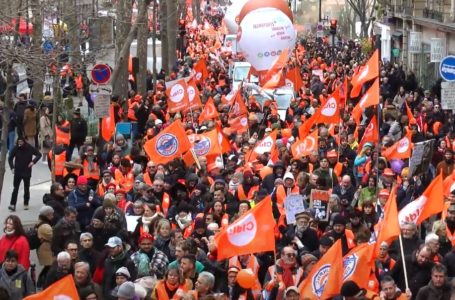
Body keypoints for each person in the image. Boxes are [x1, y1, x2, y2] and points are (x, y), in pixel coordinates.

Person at [8, 136, 42, 211]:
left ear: (24, 142)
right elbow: (10, 158)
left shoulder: (29, 148)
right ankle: (12, 204)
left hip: (26, 171)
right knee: (15, 188)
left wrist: (33, 162)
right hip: (18, 171)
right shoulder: (16, 148)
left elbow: (39, 154)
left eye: (21, 142)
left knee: (26, 188)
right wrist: (12, 168)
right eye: (18, 142)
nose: (20, 144)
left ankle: (26, 203)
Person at [36, 205, 54, 289]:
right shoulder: (45, 226)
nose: (53, 216)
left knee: (48, 267)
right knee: (49, 266)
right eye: (51, 214)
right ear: (47, 215)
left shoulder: (41, 222)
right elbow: (53, 236)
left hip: (45, 249)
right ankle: (41, 283)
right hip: (45, 250)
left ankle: (41, 282)